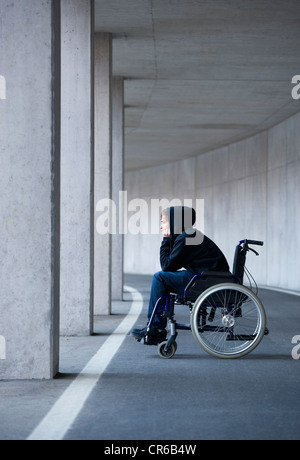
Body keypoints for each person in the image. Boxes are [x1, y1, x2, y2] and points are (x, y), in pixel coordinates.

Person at [130, 206, 230, 345]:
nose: (161, 226)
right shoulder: (190, 235)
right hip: (208, 278)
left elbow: (166, 265)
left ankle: (155, 328)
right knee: (163, 277)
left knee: (160, 278)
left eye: (164, 222)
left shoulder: (186, 238)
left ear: (174, 221)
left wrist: (166, 239)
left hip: (206, 281)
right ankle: (155, 327)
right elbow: (171, 265)